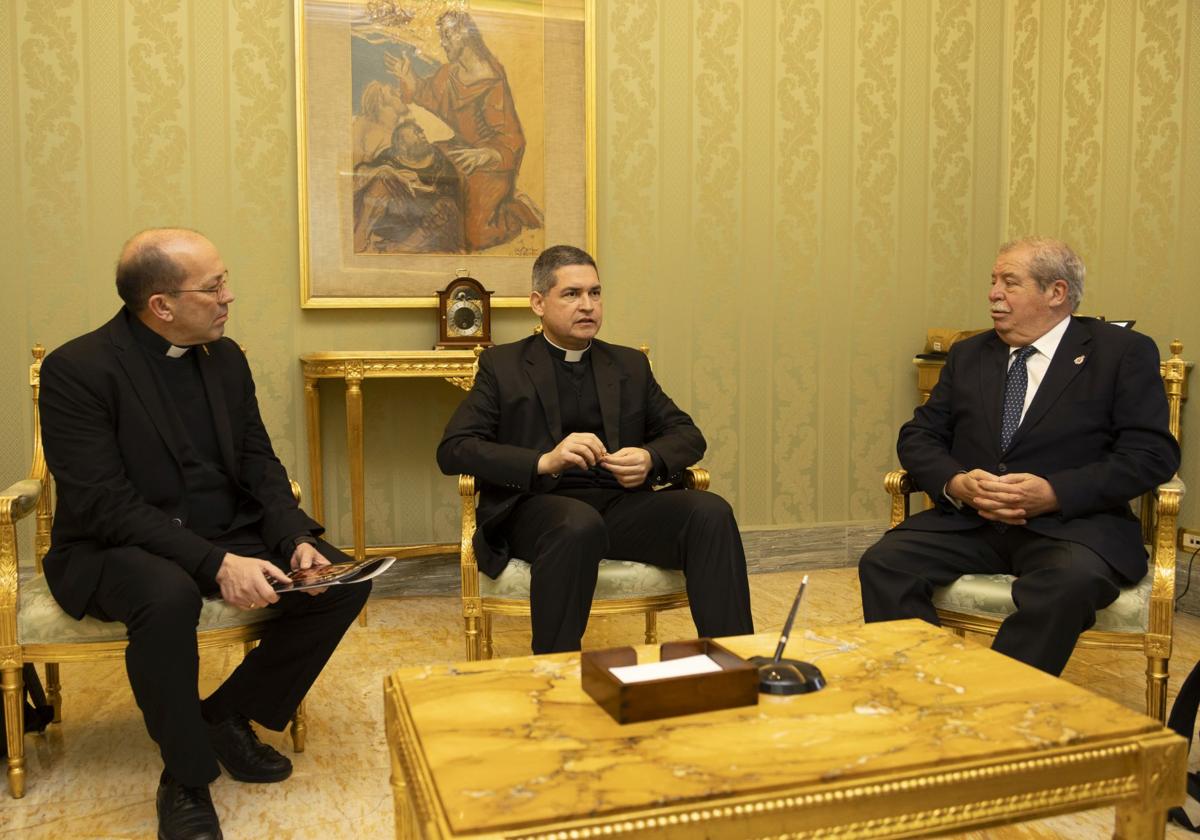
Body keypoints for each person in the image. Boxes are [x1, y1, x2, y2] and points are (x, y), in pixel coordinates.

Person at [37, 229, 370, 840]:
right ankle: (185, 777)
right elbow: (104, 503)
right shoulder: (78, 369)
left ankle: (224, 715)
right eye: (213, 287)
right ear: (161, 305)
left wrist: (295, 535)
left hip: (225, 529)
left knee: (340, 579)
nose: (229, 297)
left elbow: (259, 464)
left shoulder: (227, 358)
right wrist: (218, 564)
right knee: (168, 596)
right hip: (117, 546)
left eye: (225, 282)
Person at [858, 236, 1180, 675]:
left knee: (1070, 583)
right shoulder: (969, 354)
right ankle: (925, 690)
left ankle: (998, 700)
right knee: (884, 564)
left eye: (1010, 282)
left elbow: (1150, 454)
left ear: (1056, 293)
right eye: (993, 281)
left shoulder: (1120, 352)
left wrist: (1055, 492)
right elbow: (919, 435)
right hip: (972, 521)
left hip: (1070, 527)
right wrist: (955, 482)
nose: (993, 293)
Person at [437, 244, 754, 654]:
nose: (587, 305)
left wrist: (651, 460)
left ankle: (735, 661)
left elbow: (687, 434)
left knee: (710, 512)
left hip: (620, 508)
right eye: (571, 294)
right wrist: (543, 461)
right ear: (538, 302)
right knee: (577, 522)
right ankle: (555, 668)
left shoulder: (627, 366)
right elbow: (454, 449)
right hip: (538, 509)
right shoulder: (504, 366)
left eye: (595, 293)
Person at [386, 10, 542, 252]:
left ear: (465, 35)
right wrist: (409, 77)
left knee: (474, 237)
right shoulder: (450, 74)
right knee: (415, 174)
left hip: (491, 164)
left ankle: (518, 210)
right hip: (459, 150)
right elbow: (427, 93)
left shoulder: (492, 80)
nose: (443, 42)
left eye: (448, 35)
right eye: (442, 36)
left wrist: (485, 154)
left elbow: (513, 139)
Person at [353, 117, 465, 253]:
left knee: (445, 207)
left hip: (428, 216)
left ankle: (397, 248)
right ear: (401, 143)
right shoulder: (389, 157)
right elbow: (360, 173)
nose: (423, 135)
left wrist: (420, 187)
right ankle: (360, 235)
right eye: (416, 133)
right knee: (382, 179)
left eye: (421, 132)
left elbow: (451, 194)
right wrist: (387, 171)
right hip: (398, 216)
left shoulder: (437, 159)